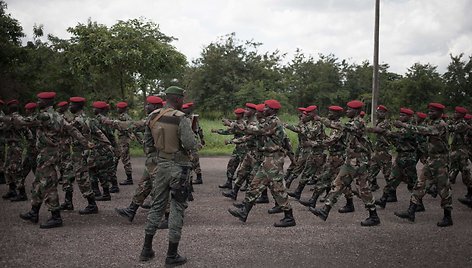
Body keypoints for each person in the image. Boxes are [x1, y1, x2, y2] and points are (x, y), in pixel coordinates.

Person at [139, 86, 197, 266]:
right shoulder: (181, 118)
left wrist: (156, 160)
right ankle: (171, 255)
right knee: (177, 207)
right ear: (179, 99)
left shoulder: (153, 115)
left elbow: (147, 143)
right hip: (179, 168)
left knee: (156, 205)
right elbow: (189, 144)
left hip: (161, 166)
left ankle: (146, 250)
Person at [19, 92, 93, 228]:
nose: (37, 102)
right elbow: (72, 129)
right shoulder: (58, 116)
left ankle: (56, 216)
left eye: (39, 100)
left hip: (48, 155)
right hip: (49, 155)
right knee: (38, 183)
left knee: (48, 184)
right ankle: (34, 211)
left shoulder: (45, 116)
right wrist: (85, 142)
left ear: (45, 102)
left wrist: (6, 118)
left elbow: (23, 121)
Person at [310, 100, 380, 227]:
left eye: (349, 109)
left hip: (358, 161)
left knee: (355, 187)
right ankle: (325, 210)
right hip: (353, 160)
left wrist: (320, 119)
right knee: (344, 185)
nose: (347, 111)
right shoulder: (354, 122)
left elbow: (341, 127)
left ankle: (373, 215)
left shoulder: (358, 122)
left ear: (356, 111)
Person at [228, 99, 296, 228]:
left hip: (274, 160)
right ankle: (244, 212)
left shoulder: (274, 121)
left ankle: (289, 217)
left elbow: (255, 130)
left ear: (272, 110)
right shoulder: (269, 121)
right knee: (255, 184)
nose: (263, 109)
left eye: (266, 107)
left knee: (278, 189)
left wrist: (235, 125)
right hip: (267, 159)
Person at [393, 102, 453, 227]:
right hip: (431, 160)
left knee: (444, 189)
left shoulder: (441, 125)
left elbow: (423, 130)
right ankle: (411, 211)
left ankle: (448, 217)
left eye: (433, 111)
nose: (430, 113)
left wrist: (404, 125)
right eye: (429, 111)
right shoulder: (432, 123)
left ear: (440, 113)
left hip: (440, 161)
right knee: (419, 184)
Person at [115, 96, 166, 223]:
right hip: (152, 159)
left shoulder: (156, 117)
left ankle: (168, 217)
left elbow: (133, 126)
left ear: (154, 107)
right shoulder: (155, 116)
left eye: (148, 104)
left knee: (160, 187)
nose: (145, 107)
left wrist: (112, 122)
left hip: (158, 158)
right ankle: (131, 210)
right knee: (144, 185)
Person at [372, 108, 419, 210]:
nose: (400, 117)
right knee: (392, 179)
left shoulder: (411, 128)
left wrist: (383, 131)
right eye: (400, 115)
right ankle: (383, 199)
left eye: (403, 115)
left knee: (412, 182)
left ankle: (418, 204)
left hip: (408, 157)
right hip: (400, 156)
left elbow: (397, 135)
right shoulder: (404, 127)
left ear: (409, 117)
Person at [212, 108, 246, 189]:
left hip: (245, 149)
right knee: (231, 164)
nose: (235, 115)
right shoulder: (236, 123)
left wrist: (229, 124)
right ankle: (229, 182)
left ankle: (247, 185)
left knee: (244, 168)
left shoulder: (244, 123)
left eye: (237, 114)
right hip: (238, 149)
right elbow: (229, 131)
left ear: (241, 115)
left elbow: (242, 131)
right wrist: (217, 131)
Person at [448, 107, 472, 208]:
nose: (454, 114)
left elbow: (451, 128)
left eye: (457, 113)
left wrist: (442, 125)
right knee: (462, 174)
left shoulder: (462, 124)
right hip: (457, 152)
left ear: (462, 115)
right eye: (454, 112)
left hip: (461, 152)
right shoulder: (458, 123)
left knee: (465, 175)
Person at [367, 105, 392, 192]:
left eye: (382, 112)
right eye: (378, 112)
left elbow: (377, 130)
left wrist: (364, 128)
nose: (379, 114)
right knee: (371, 170)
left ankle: (391, 193)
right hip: (378, 151)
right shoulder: (378, 121)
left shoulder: (385, 122)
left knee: (387, 174)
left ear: (385, 114)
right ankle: (373, 185)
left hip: (384, 151)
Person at [116, 101, 134, 185]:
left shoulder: (124, 117)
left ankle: (129, 179)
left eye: (118, 108)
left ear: (122, 109)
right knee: (122, 157)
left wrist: (129, 135)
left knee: (125, 158)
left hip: (124, 140)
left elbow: (128, 128)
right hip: (122, 139)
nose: (117, 109)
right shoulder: (123, 116)